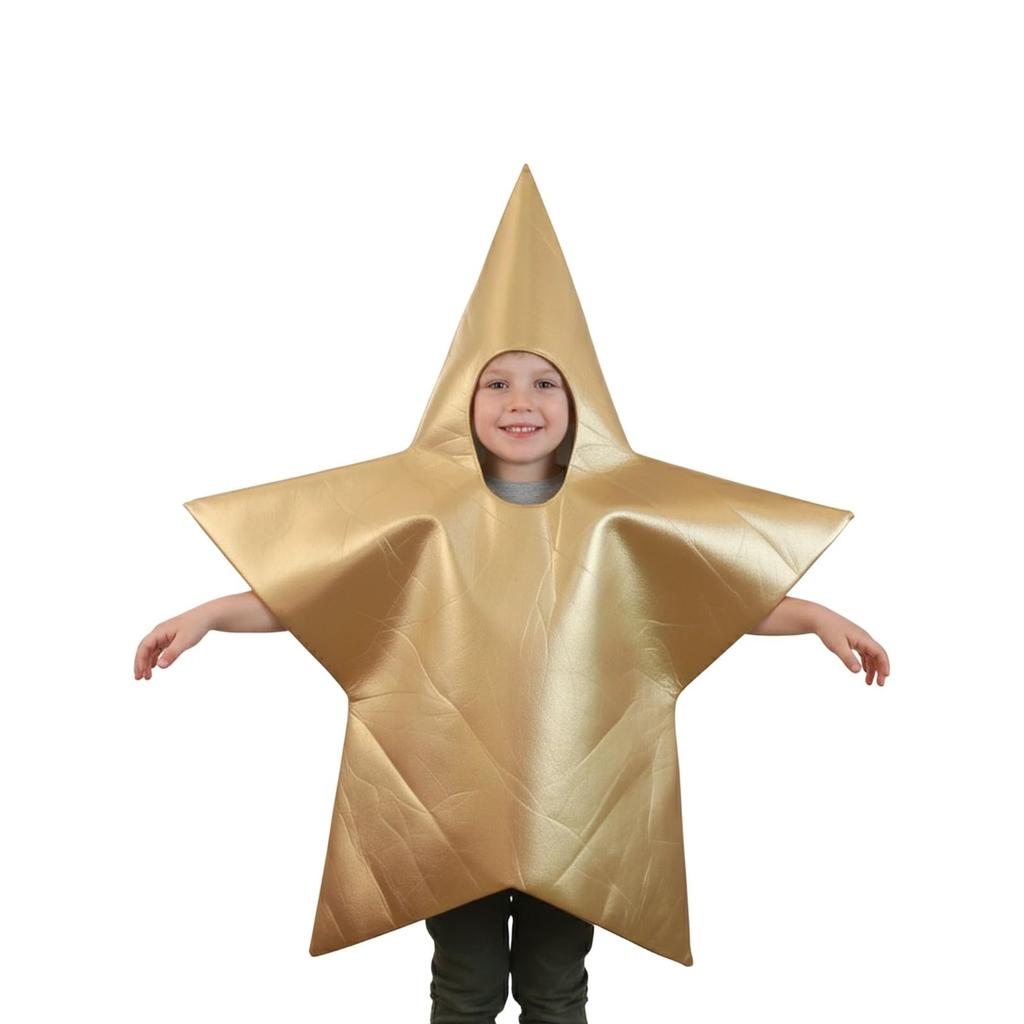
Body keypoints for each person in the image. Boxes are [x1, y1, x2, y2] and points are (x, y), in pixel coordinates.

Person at [133, 349, 890, 1023]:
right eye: (495, 383)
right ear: (459, 402)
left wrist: (815, 618)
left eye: (544, 384)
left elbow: (711, 591)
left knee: (556, 988)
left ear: (579, 400)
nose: (519, 402)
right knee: (465, 986)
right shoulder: (424, 518)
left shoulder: (616, 519)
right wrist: (211, 616)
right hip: (452, 804)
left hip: (573, 806)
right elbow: (319, 593)